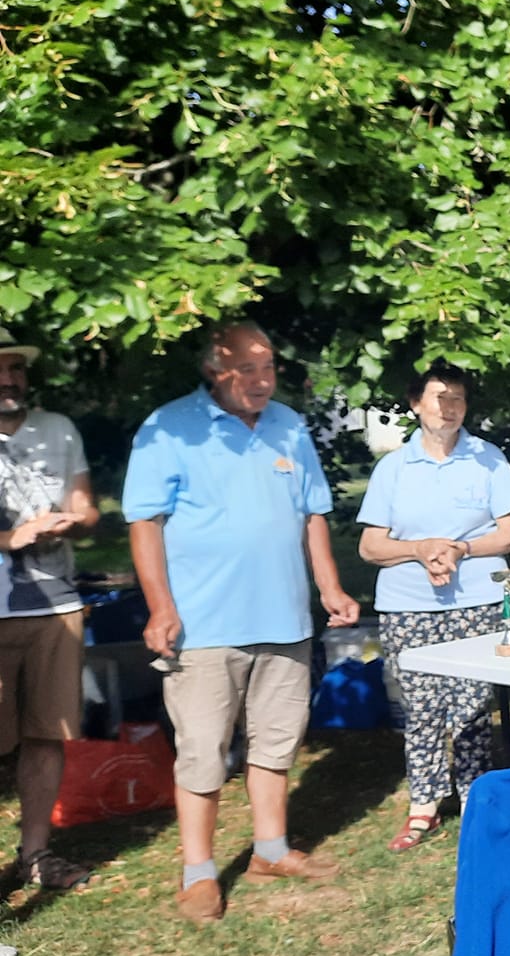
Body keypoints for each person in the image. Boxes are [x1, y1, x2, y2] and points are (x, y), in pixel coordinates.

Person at [123, 322, 361, 922]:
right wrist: (161, 606)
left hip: (284, 617)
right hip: (202, 624)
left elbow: (312, 513)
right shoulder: (167, 427)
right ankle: (199, 873)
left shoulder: (289, 424)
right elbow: (145, 523)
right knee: (203, 749)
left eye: (268, 367)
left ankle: (271, 851)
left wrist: (329, 587)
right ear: (214, 369)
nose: (261, 380)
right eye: (246, 369)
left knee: (278, 739)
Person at [357, 362, 510, 852]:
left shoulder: (488, 458)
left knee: (472, 705)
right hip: (408, 606)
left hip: (477, 600)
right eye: (439, 397)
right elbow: (370, 546)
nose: (450, 408)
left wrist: (461, 549)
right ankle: (425, 805)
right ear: (416, 404)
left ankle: (476, 797)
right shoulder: (393, 468)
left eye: (458, 398)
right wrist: (420, 549)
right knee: (422, 707)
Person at [0, 328, 99, 892]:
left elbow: (86, 508)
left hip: (56, 603)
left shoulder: (57, 429)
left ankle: (35, 854)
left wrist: (70, 522)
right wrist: (11, 538)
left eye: (16, 369)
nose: (8, 379)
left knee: (46, 732)